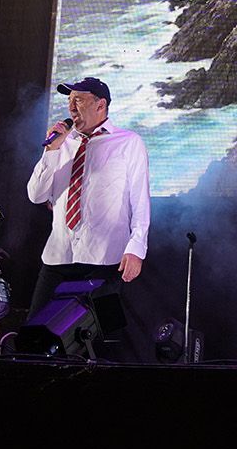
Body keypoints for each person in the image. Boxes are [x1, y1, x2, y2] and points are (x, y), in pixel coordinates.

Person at [25, 77, 151, 325]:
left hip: (104, 260)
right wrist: (51, 151)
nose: (71, 107)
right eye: (70, 101)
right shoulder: (61, 143)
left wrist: (136, 247)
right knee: (36, 332)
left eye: (78, 100)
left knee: (94, 341)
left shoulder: (128, 142)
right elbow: (36, 195)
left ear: (100, 105)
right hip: (59, 256)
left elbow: (140, 201)